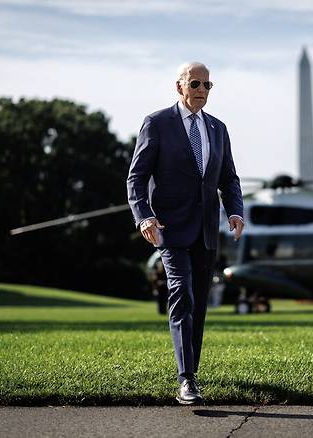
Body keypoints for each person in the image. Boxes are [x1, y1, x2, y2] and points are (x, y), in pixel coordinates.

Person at [126, 62, 244, 405]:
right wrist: (144, 216)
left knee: (200, 304)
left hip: (207, 231)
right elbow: (136, 177)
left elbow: (229, 178)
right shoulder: (157, 123)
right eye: (196, 83)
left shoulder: (218, 129)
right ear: (179, 86)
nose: (202, 90)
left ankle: (191, 369)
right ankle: (186, 379)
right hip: (168, 229)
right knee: (182, 294)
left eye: (208, 85)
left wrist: (235, 210)